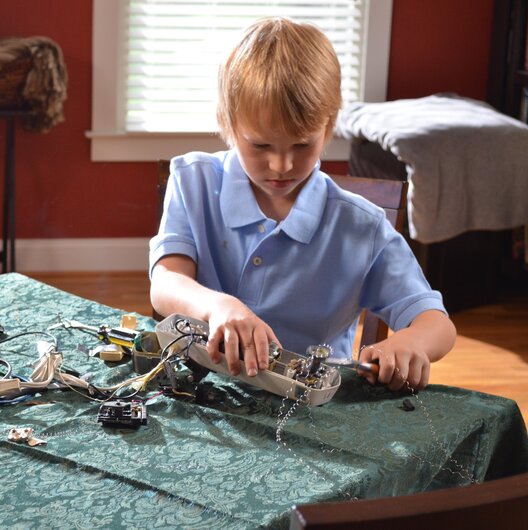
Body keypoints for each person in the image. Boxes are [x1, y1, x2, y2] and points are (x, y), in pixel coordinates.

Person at [149, 17, 455, 392]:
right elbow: (165, 283)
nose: (281, 166)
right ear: (226, 123)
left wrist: (410, 343)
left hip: (307, 410)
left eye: (301, 145)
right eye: (260, 146)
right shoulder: (193, 180)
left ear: (327, 129)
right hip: (203, 390)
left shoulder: (362, 227)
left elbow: (437, 324)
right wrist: (219, 307)